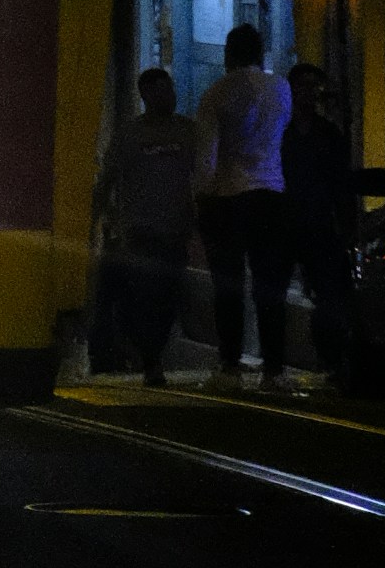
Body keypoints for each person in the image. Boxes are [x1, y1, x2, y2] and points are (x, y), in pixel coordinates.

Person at [192, 24, 293, 390]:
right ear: (261, 52)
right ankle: (275, 370)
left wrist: (199, 198)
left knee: (229, 285)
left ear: (228, 54)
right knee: (271, 285)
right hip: (272, 192)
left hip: (228, 196)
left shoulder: (216, 94)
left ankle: (230, 367)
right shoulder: (281, 89)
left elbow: (208, 158)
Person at [92, 68, 200, 386]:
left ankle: (154, 355)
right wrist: (97, 217)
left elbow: (203, 173)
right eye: (160, 91)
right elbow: (108, 178)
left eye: (170, 89)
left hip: (176, 229)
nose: (168, 96)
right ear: (146, 96)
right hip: (139, 231)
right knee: (143, 297)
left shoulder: (187, 131)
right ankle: (151, 361)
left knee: (168, 297)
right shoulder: (130, 135)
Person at [283, 59, 360, 381]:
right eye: (301, 87)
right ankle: (276, 362)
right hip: (285, 223)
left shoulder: (329, 134)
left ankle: (329, 358)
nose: (308, 94)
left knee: (329, 294)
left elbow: (342, 184)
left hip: (319, 223)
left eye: (313, 88)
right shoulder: (280, 132)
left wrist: (347, 227)